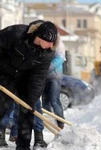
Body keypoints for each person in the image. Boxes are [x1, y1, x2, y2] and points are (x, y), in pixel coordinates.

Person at [0, 20, 59, 150]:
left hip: (24, 77)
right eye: (49, 42)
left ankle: (23, 146)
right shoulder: (17, 33)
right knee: (1, 106)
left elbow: (38, 77)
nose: (51, 46)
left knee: (28, 110)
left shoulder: (48, 52)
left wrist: (32, 100)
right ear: (40, 37)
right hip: (5, 72)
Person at [42, 39, 66, 129]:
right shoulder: (43, 41)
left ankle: (60, 123)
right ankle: (48, 122)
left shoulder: (58, 43)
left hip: (55, 77)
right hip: (44, 76)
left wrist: (45, 68)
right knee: (45, 101)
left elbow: (60, 59)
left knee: (54, 100)